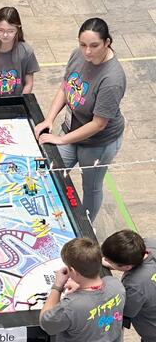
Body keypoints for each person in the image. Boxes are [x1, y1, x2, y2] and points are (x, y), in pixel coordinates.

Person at [35, 18, 126, 222]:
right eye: (83, 45)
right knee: (52, 171)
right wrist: (49, 119)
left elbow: (98, 123)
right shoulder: (78, 56)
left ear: (107, 42)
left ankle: (86, 230)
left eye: (94, 46)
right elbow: (65, 88)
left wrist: (60, 139)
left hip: (98, 143)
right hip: (72, 130)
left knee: (91, 187)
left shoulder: (112, 79)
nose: (87, 52)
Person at [101, 230, 156, 342]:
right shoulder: (149, 244)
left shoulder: (135, 285)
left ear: (126, 267)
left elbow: (122, 314)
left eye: (111, 263)